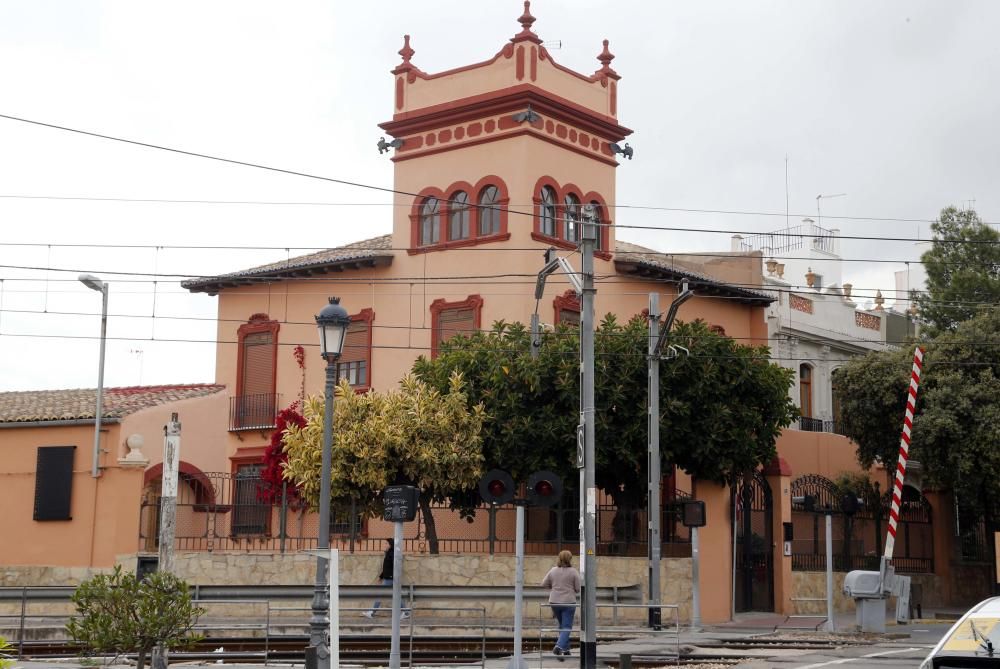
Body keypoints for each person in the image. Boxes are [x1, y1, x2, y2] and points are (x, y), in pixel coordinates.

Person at [541, 550, 581, 659]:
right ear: (570, 559)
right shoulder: (573, 572)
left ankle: (566, 650)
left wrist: (554, 588)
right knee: (567, 627)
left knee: (562, 625)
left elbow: (543, 583)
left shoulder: (553, 570)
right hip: (568, 602)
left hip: (554, 602)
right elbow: (578, 589)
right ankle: (558, 647)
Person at [363, 540, 409, 618]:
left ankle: (372, 612)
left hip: (389, 579)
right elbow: (386, 568)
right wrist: (381, 576)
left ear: (390, 545)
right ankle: (406, 612)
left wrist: (391, 576)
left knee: (380, 595)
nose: (385, 545)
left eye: (386, 543)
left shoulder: (392, 554)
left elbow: (396, 566)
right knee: (397, 595)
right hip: (389, 578)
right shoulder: (389, 553)